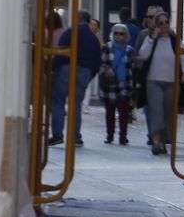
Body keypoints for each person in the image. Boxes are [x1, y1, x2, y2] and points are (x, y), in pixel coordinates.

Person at [50, 10, 102, 146]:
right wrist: (90, 74)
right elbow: (98, 59)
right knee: (76, 105)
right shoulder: (93, 37)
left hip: (66, 68)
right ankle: (75, 137)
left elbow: (60, 51)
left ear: (78, 18)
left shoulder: (70, 32)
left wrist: (54, 68)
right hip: (85, 71)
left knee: (58, 101)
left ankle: (57, 134)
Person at [135, 11, 181, 156]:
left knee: (168, 112)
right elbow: (142, 55)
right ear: (155, 24)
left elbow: (183, 55)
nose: (164, 25)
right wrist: (152, 37)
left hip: (171, 82)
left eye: (166, 22)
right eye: (160, 23)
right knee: (156, 111)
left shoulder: (174, 40)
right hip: (153, 81)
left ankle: (163, 139)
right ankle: (156, 140)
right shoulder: (150, 39)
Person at [99, 24, 134, 145]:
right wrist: (106, 69)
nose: (118, 36)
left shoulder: (129, 50)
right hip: (110, 85)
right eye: (116, 33)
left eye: (121, 33)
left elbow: (132, 67)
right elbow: (102, 62)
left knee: (124, 112)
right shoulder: (107, 47)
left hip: (125, 85)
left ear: (126, 35)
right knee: (110, 112)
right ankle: (109, 135)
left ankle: (123, 136)